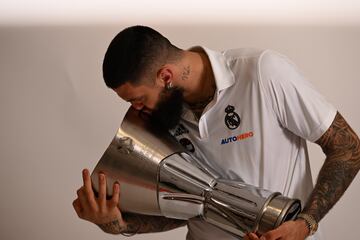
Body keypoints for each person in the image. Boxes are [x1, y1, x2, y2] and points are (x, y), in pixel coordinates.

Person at [73, 25, 360, 240]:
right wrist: (119, 223)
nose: (137, 109)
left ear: (166, 77)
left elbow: (348, 148)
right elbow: (188, 207)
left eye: (137, 98)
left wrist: (305, 223)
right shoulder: (160, 116)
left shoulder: (261, 72)